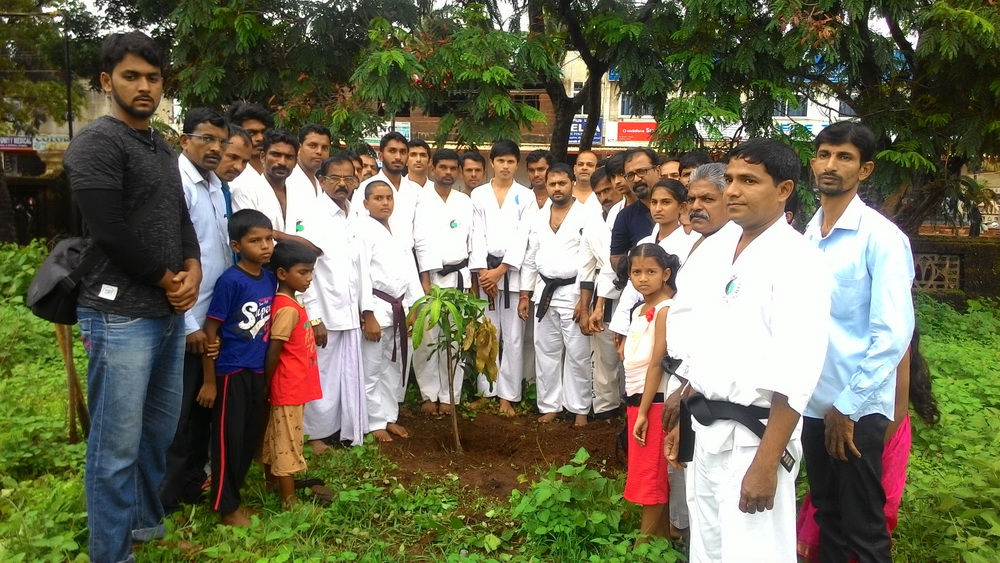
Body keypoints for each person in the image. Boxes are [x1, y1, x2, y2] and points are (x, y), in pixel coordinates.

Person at [65, 31, 201, 563]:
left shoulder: (160, 147)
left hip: (165, 313)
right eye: (131, 76)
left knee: (156, 433)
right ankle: (111, 552)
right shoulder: (98, 143)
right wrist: (169, 279)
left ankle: (145, 525)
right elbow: (110, 231)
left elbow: (180, 219)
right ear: (108, 81)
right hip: (117, 313)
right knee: (116, 444)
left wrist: (192, 267)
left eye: (153, 77)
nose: (144, 86)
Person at [664, 139, 831, 562]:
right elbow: (706, 339)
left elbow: (797, 371)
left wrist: (767, 462)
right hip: (707, 429)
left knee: (753, 553)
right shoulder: (718, 249)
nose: (734, 190)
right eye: (732, 179)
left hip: (755, 439)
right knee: (707, 551)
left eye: (749, 181)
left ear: (784, 189)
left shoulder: (799, 260)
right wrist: (686, 406)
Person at [801, 121, 915, 563]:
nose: (831, 165)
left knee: (864, 528)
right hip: (812, 403)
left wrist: (847, 406)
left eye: (844, 157)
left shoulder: (881, 238)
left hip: (855, 410)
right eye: (824, 154)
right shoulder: (809, 235)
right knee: (827, 516)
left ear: (864, 170)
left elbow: (893, 333)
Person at [797, 327, 940, 562]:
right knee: (831, 514)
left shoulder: (889, 337)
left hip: (880, 436)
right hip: (835, 433)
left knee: (867, 522)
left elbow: (898, 408)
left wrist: (864, 452)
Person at [160, 107, 232, 515]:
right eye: (207, 139)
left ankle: (192, 484)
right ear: (184, 140)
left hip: (214, 319)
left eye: (221, 141)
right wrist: (188, 324)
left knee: (205, 407)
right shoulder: (177, 184)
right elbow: (172, 254)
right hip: (188, 318)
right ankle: (165, 499)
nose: (215, 148)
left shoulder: (215, 186)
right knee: (180, 411)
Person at [201, 209, 276, 527]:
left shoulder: (270, 279)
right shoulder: (231, 281)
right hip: (231, 371)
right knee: (228, 440)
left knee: (248, 437)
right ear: (236, 246)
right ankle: (225, 506)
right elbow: (211, 330)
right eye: (255, 241)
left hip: (257, 370)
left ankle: (235, 497)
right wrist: (209, 381)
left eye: (269, 239)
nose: (265, 246)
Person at [518, 164, 601, 426]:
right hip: (544, 292)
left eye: (562, 183)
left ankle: (579, 409)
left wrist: (584, 301)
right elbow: (530, 258)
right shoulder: (538, 216)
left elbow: (593, 261)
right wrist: (524, 295)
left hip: (574, 292)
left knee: (578, 354)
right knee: (546, 352)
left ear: (572, 183)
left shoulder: (588, 215)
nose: (557, 188)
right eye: (552, 184)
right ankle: (550, 405)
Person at [302, 153, 374, 449]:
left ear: (356, 182)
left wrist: (366, 309)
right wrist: (313, 316)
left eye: (348, 178)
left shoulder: (355, 216)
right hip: (323, 312)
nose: (342, 184)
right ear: (322, 181)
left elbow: (362, 267)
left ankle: (344, 430)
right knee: (320, 375)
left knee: (347, 374)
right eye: (335, 178)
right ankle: (315, 435)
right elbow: (303, 269)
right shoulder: (311, 215)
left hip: (350, 312)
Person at [614, 243, 679, 540]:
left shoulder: (666, 310)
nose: (642, 278)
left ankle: (644, 548)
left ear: (666, 274)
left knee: (650, 476)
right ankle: (660, 541)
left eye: (651, 272)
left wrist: (643, 412)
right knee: (648, 472)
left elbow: (657, 363)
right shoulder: (640, 309)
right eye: (636, 272)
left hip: (653, 403)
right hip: (638, 400)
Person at [470, 140, 533, 415]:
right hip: (485, 274)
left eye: (510, 161)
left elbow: (524, 236)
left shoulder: (525, 196)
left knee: (513, 338)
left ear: (517, 165)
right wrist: (483, 273)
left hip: (512, 273)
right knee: (486, 334)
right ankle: (487, 391)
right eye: (501, 161)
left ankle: (508, 395)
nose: (505, 166)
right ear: (492, 162)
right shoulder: (479, 194)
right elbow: (475, 233)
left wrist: (502, 270)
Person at [260, 240, 323, 509]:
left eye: (311, 272)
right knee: (287, 441)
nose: (309, 278)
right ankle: (289, 501)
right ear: (282, 274)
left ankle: (272, 484)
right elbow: (274, 349)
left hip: (293, 385)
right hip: (288, 387)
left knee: (276, 435)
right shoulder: (286, 307)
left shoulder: (291, 302)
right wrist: (266, 383)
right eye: (303, 272)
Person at [413, 149, 475, 416]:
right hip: (430, 278)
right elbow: (419, 241)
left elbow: (473, 241)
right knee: (427, 337)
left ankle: (450, 395)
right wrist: (425, 280)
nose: (448, 172)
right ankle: (428, 394)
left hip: (459, 277)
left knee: (454, 338)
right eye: (443, 167)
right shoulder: (420, 199)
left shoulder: (464, 202)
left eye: (452, 168)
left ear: (458, 172)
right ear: (432, 168)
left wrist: (472, 280)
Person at [360, 180, 422, 441]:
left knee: (393, 368)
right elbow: (361, 274)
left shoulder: (399, 229)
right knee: (372, 369)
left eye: (389, 198)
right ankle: (373, 422)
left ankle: (388, 417)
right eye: (378, 198)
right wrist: (368, 314)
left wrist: (415, 306)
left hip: (400, 306)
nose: (385, 203)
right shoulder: (362, 231)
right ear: (366, 203)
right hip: (377, 307)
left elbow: (410, 270)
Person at [579, 168, 625, 420]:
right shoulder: (592, 223)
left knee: (632, 354)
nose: (604, 197)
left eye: (608, 190)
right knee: (604, 355)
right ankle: (606, 411)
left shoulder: (631, 216)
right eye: (599, 193)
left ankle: (630, 408)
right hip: (601, 293)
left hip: (632, 290)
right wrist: (586, 307)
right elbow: (586, 269)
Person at [231, 129, 321, 253]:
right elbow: (251, 243)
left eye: (289, 157)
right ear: (263, 157)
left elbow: (317, 247)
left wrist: (276, 235)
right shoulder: (245, 192)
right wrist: (296, 242)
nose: (282, 162)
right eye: (276, 155)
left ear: (296, 161)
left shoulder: (304, 195)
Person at [354, 132, 420, 251]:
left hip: (409, 255)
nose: (398, 157)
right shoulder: (365, 188)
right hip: (376, 254)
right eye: (392, 151)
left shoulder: (416, 190)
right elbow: (358, 230)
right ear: (381, 156)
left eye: (403, 152)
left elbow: (422, 233)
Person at [610, 148, 659, 268]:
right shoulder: (625, 216)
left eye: (642, 171)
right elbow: (616, 257)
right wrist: (637, 269)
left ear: (658, 170)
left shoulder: (681, 205)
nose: (636, 179)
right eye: (630, 175)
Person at [225, 101, 273, 191]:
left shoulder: (280, 169)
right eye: (251, 133)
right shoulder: (231, 173)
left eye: (264, 132)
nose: (260, 138)